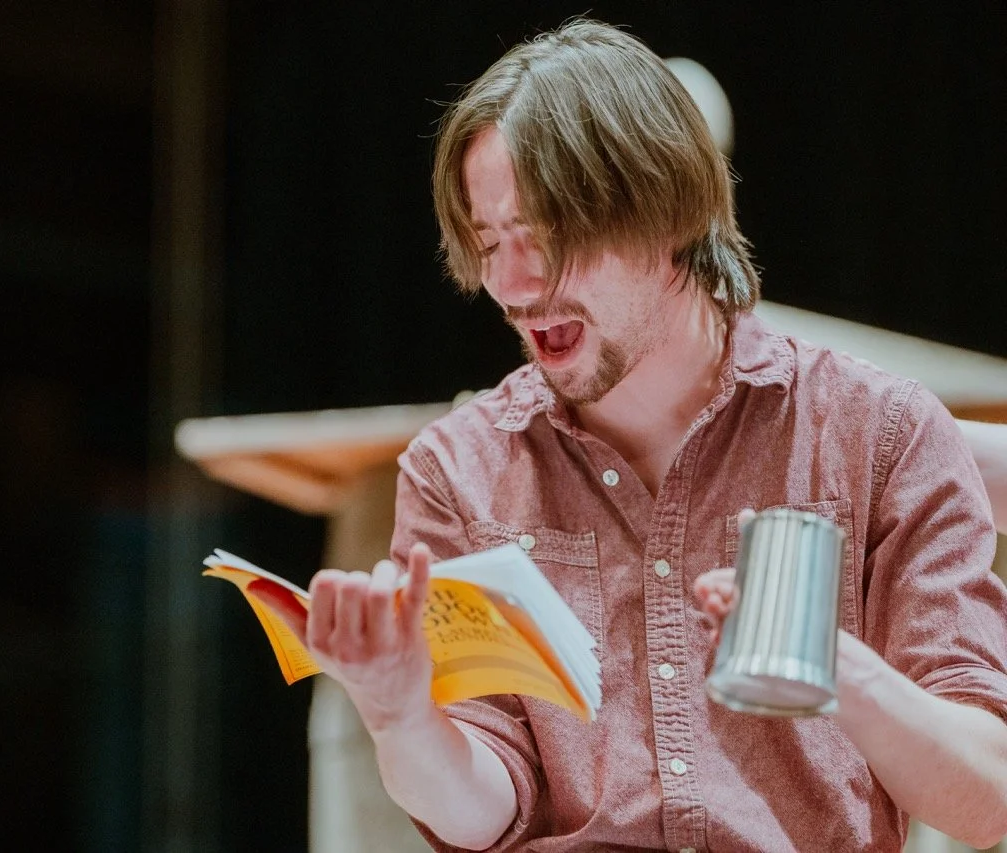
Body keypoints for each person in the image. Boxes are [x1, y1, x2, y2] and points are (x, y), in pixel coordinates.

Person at [253, 17, 1007, 852]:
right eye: (489, 241)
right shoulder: (457, 469)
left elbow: (990, 798)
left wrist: (839, 669)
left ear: (667, 212)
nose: (510, 284)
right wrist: (400, 717)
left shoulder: (881, 432)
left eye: (545, 234)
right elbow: (483, 809)